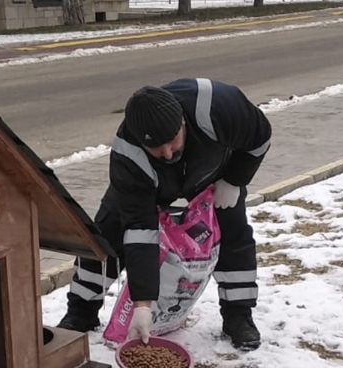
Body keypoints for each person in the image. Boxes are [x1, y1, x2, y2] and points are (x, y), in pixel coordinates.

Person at [56, 78, 272, 350]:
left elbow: (260, 138)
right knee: (107, 234)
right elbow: (140, 231)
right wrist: (142, 305)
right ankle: (81, 311)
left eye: (171, 141)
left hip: (213, 177)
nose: (167, 153)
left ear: (182, 122)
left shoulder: (218, 107)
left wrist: (235, 179)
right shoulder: (129, 155)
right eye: (156, 148)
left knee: (234, 235)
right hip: (151, 186)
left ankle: (239, 316)